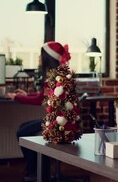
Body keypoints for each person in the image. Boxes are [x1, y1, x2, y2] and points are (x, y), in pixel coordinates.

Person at [5, 41, 70, 182]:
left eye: (41, 56)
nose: (39, 58)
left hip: (59, 123)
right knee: (23, 128)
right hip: (55, 119)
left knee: (22, 132)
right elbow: (41, 96)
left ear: (48, 57)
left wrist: (16, 96)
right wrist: (23, 95)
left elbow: (38, 100)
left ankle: (34, 170)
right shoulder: (55, 74)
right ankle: (34, 168)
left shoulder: (56, 77)